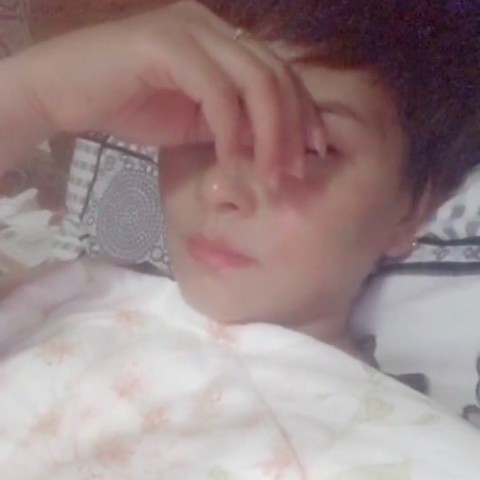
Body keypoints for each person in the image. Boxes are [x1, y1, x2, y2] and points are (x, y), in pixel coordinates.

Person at [0, 2, 480, 476]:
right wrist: (35, 94)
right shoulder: (73, 299)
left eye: (312, 148)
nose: (219, 188)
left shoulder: (426, 454)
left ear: (412, 212)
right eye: (207, 122)